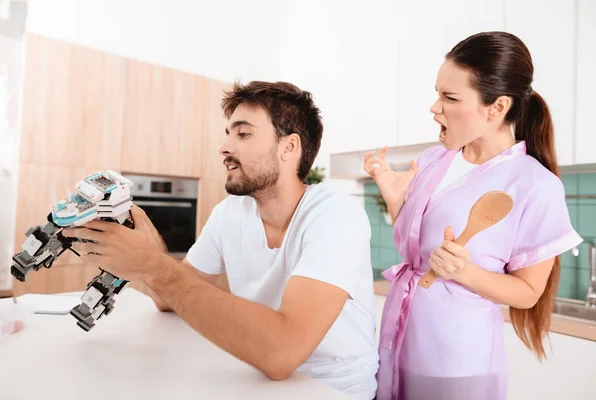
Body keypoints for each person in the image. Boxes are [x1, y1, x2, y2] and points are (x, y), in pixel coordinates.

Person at [63, 81, 379, 399]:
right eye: (228, 134)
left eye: (242, 134)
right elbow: (168, 298)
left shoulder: (336, 215)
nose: (224, 148)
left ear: (289, 147)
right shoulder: (230, 213)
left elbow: (283, 353)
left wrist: (154, 265)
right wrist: (146, 253)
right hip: (257, 381)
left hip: (332, 391)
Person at [364, 31, 583, 400]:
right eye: (437, 93)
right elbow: (412, 252)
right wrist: (395, 199)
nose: (435, 107)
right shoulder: (434, 159)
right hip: (398, 337)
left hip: (455, 359)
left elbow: (528, 293)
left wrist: (464, 271)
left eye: (450, 97)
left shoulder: (534, 184)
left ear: (496, 107)